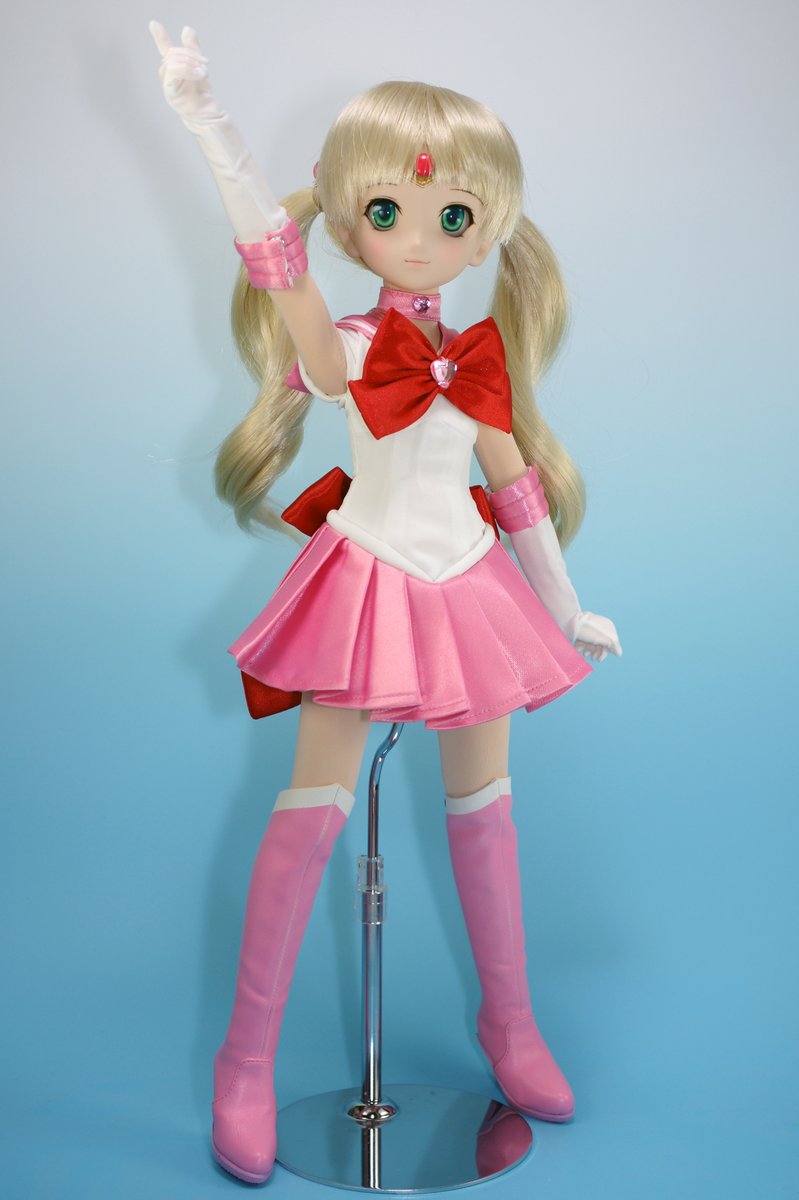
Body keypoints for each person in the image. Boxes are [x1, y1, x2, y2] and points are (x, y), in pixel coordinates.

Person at [150, 23, 622, 1184]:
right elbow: (278, 269)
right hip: (364, 581)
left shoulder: (478, 358)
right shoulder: (353, 348)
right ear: (350, 217)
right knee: (311, 806)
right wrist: (213, 129)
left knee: (486, 807)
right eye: (388, 211)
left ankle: (509, 1024)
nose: (420, 239)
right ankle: (245, 1063)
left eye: (453, 215)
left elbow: (515, 492)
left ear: (487, 228)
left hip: (469, 584)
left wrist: (564, 606)